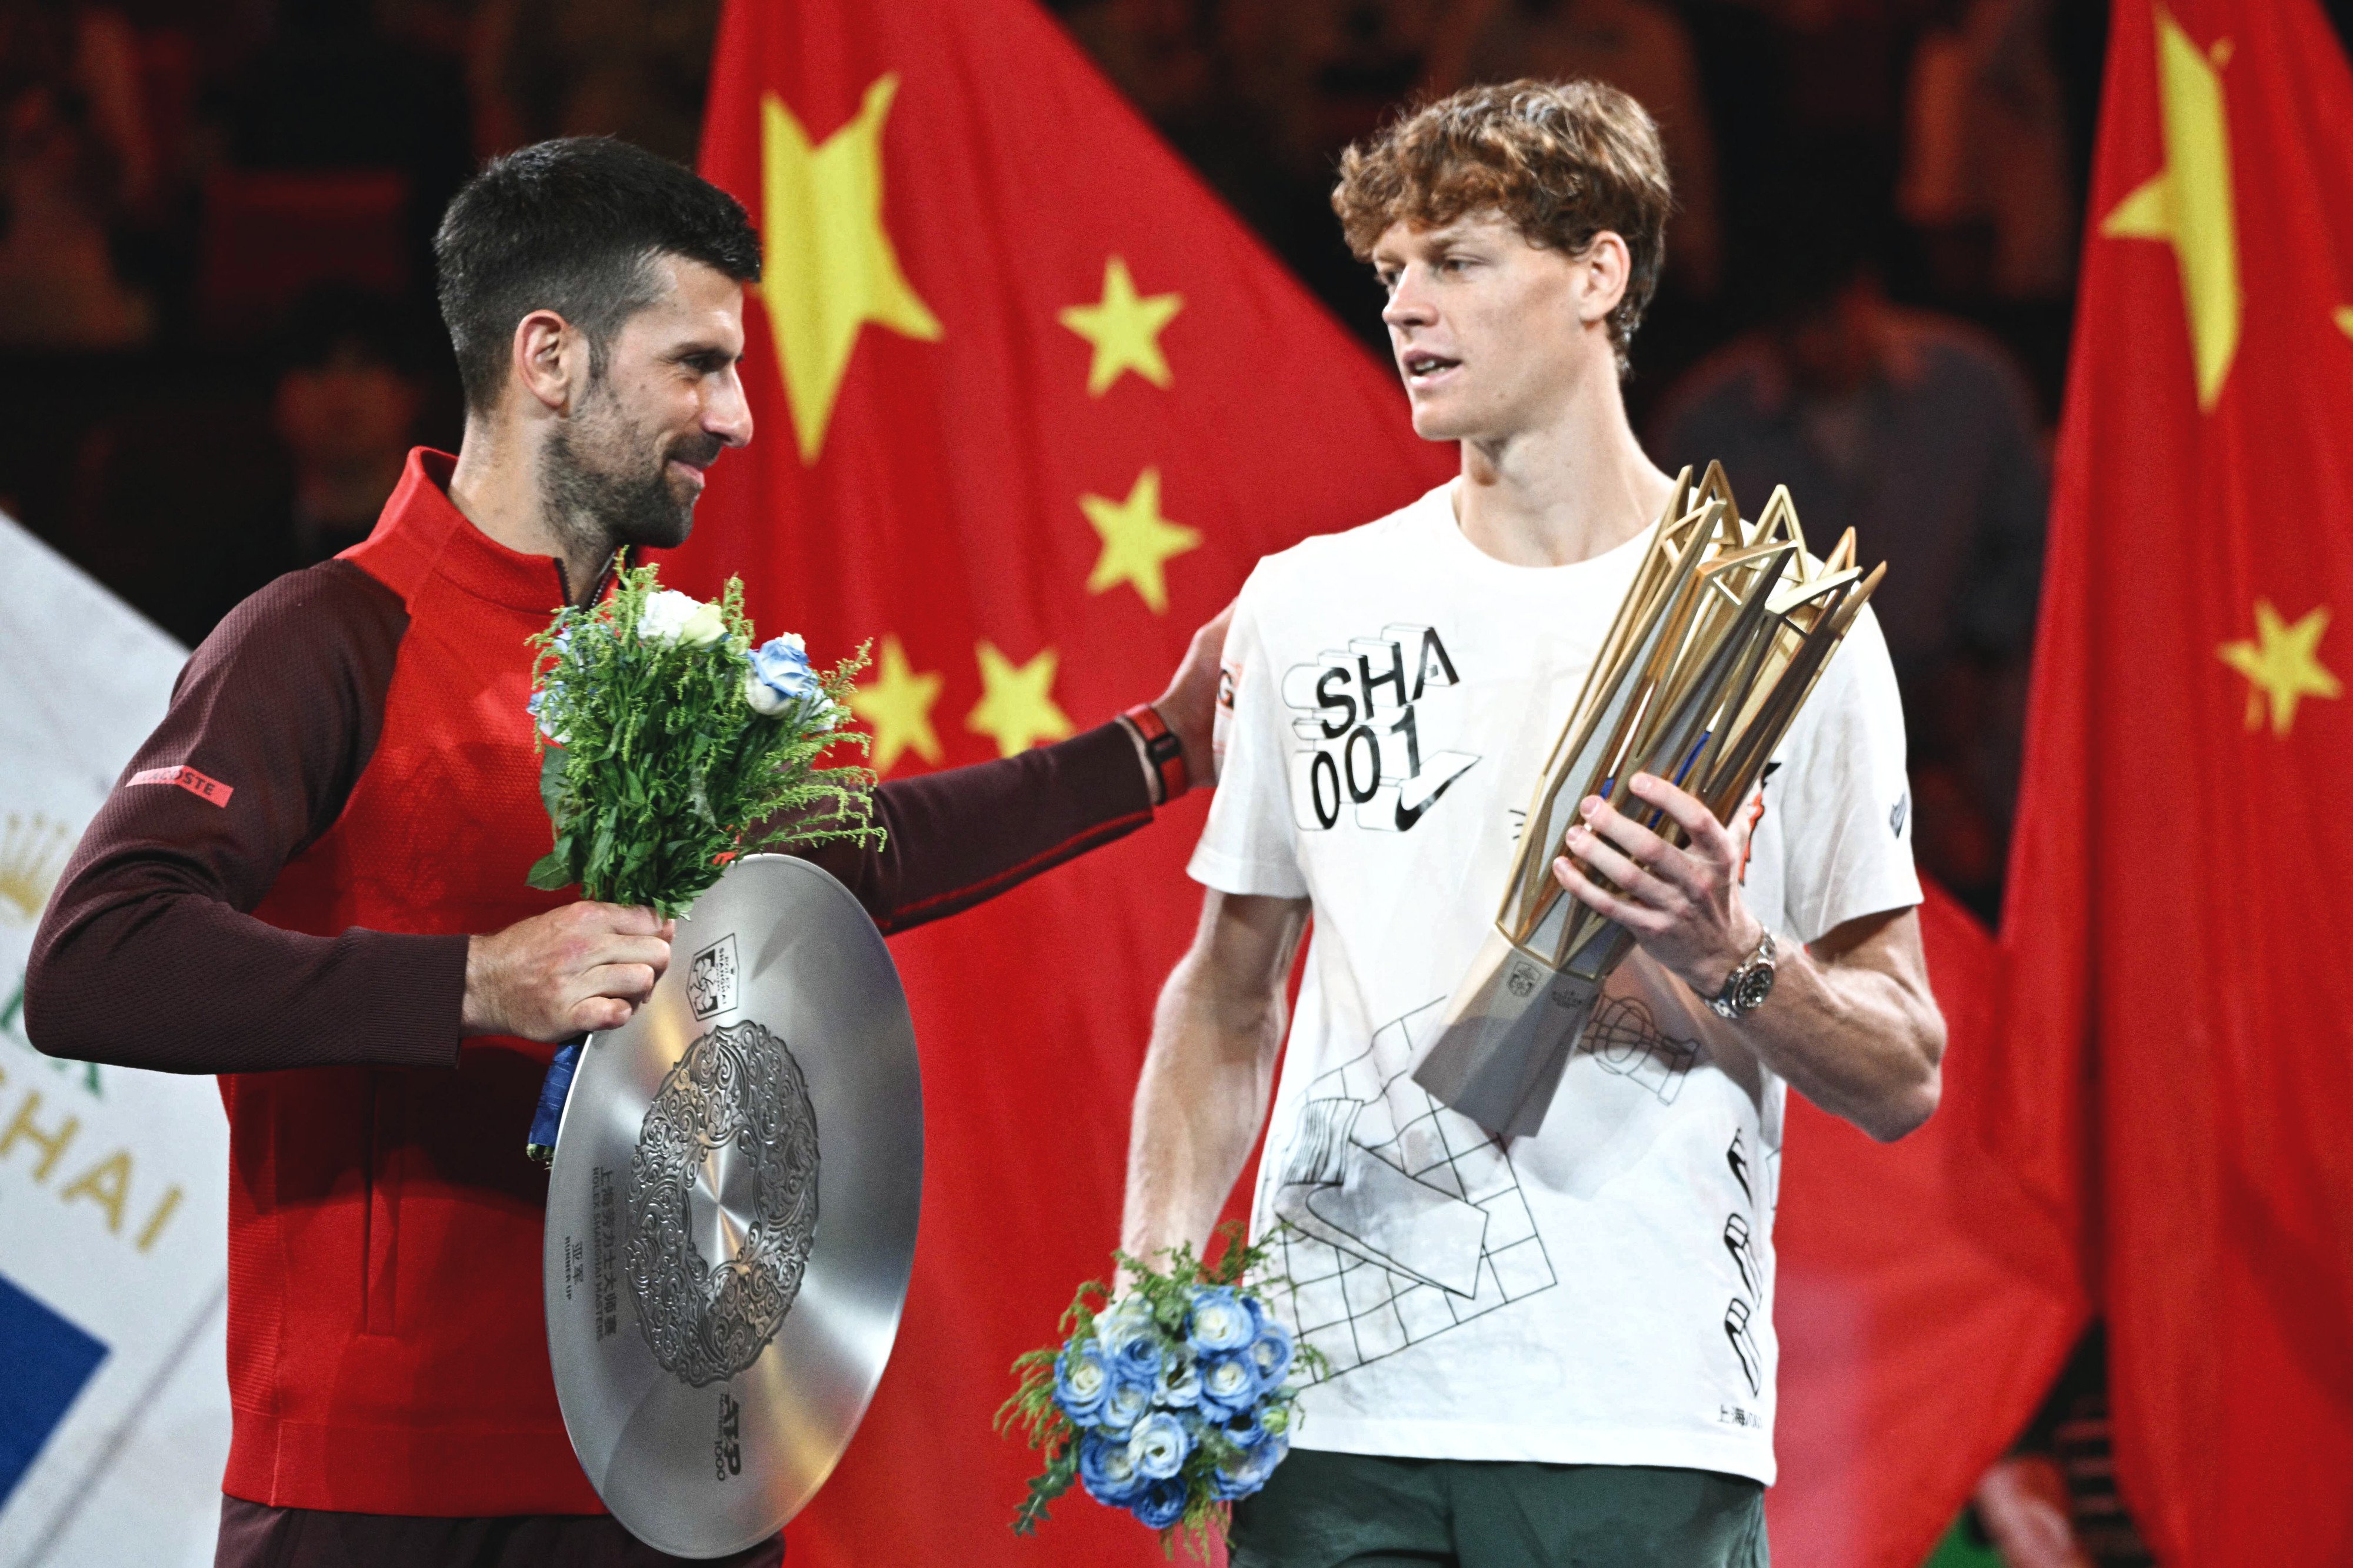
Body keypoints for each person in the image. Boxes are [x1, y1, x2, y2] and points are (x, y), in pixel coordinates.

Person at [26, 136, 1224, 1568]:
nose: (739, 416)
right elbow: (97, 959)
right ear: (549, 355)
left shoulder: (666, 660)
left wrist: (1156, 748)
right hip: (389, 1493)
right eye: (696, 365)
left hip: (676, 1473)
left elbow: (852, 850)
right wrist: (472, 981)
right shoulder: (322, 637)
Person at [1118, 81, 1946, 1567]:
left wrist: (1730, 949)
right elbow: (1227, 993)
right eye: (1389, 273)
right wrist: (1151, 1287)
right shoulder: (1305, 606)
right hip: (1330, 1417)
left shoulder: (1787, 632)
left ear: (1599, 272)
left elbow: (1900, 1074)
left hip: (1631, 1420)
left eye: (1457, 259)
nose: (1406, 307)